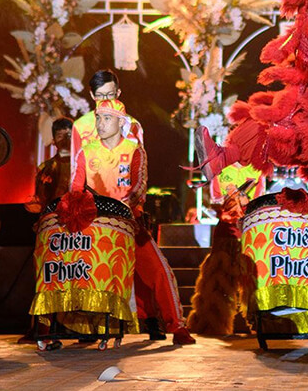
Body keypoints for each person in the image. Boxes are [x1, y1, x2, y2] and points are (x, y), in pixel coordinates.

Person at [71, 96, 194, 345]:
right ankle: (86, 325)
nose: (101, 123)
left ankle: (177, 326)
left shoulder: (134, 150)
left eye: (107, 119)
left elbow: (139, 186)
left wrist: (123, 208)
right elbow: (75, 187)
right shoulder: (87, 151)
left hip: (129, 224)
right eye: (98, 118)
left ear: (120, 123)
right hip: (95, 228)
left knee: (158, 271)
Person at [26, 117, 74, 214]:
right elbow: (40, 198)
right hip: (52, 218)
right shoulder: (45, 168)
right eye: (60, 136)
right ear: (53, 141)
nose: (65, 140)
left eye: (68, 136)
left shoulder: (85, 165)